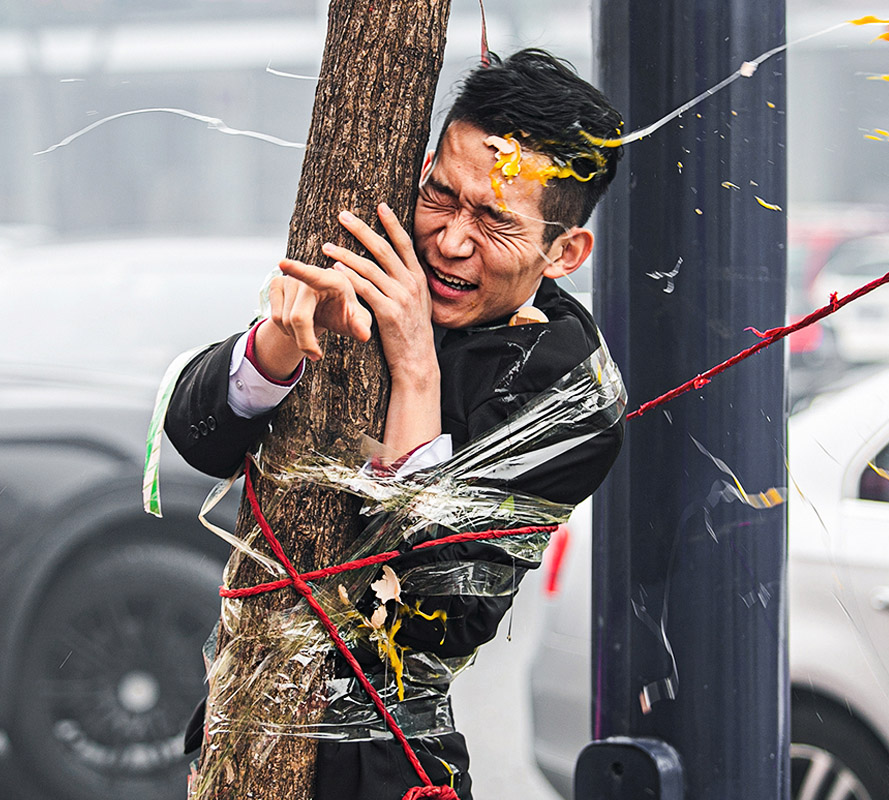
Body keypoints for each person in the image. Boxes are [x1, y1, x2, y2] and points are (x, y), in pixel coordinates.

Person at [165, 49, 624, 799]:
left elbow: (429, 607)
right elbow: (198, 438)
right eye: (441, 196)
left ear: (563, 252)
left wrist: (414, 364)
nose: (450, 241)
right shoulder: (379, 258)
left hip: (386, 767)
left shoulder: (571, 393)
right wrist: (280, 343)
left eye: (496, 221)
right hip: (239, 735)